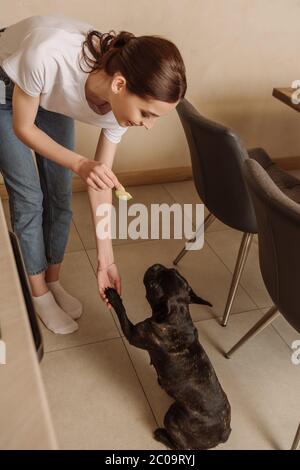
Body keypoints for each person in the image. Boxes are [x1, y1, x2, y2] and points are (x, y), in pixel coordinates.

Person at [0, 14, 187, 334]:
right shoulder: (49, 54)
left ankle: (53, 281)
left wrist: (106, 261)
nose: (147, 125)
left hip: (44, 93)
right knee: (30, 196)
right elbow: (23, 126)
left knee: (60, 194)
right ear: (119, 84)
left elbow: (99, 182)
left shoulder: (120, 105)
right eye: (147, 113)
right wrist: (80, 163)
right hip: (4, 88)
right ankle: (39, 294)